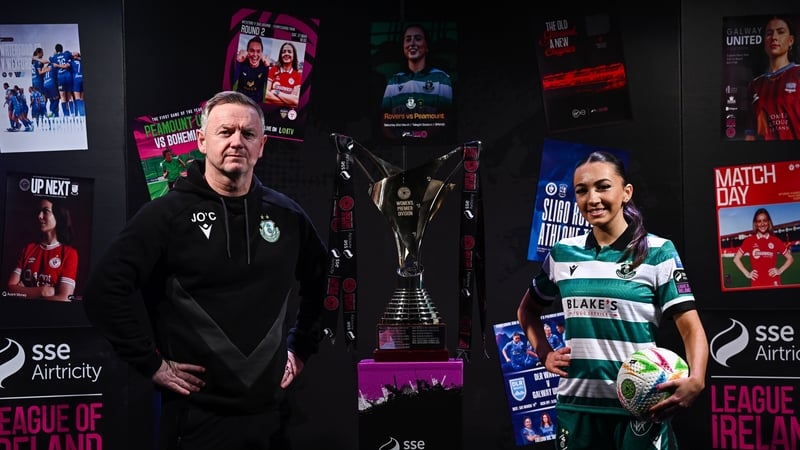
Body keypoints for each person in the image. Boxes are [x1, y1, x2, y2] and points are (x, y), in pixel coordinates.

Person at [82, 90, 329, 450]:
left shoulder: (288, 216)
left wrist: (302, 346)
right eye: (225, 131)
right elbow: (102, 291)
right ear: (202, 141)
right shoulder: (166, 216)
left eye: (248, 135)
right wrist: (151, 363)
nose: (236, 142)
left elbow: (325, 281)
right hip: (195, 420)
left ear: (261, 145)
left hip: (272, 417)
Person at [517, 151, 708, 450]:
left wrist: (697, 379)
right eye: (582, 190)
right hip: (577, 407)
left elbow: (691, 328)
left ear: (626, 192)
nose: (592, 198)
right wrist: (544, 353)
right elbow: (528, 310)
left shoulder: (658, 252)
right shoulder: (562, 253)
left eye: (603, 187)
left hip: (641, 407)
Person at [6, 197, 78, 302]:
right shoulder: (28, 249)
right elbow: (10, 288)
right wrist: (42, 291)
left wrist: (25, 291)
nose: (39, 216)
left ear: (58, 215)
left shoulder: (69, 254)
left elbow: (64, 298)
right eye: (39, 212)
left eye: (45, 211)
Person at [744, 15, 800, 141]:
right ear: (764, 40)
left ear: (791, 40)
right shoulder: (754, 85)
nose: (774, 37)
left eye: (780, 32)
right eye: (769, 33)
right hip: (766, 157)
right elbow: (750, 134)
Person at [380, 24, 453, 118]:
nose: (412, 43)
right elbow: (385, 120)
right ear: (403, 46)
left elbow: (445, 119)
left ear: (427, 46)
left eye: (418, 39)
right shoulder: (394, 81)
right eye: (408, 39)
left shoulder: (442, 79)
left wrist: (420, 133)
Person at [732, 207, 794, 287]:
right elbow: (736, 259)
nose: (762, 224)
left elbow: (790, 258)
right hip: (757, 283)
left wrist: (780, 270)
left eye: (765, 220)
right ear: (756, 224)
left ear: (768, 222)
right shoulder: (749, 241)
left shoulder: (775, 241)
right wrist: (747, 273)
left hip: (774, 281)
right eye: (759, 221)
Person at [233, 35, 271, 104]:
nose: (255, 54)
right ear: (247, 52)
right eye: (252, 51)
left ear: (262, 53)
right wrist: (238, 62)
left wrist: (268, 68)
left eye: (258, 51)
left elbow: (270, 89)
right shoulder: (242, 63)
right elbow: (232, 81)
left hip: (256, 103)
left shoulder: (264, 66)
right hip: (240, 101)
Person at [264, 42, 301, 107]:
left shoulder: (297, 76)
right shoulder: (273, 70)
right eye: (283, 52)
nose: (286, 54)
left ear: (294, 55)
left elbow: (295, 100)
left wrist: (276, 92)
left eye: (289, 52)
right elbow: (265, 94)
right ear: (280, 55)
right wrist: (288, 101)